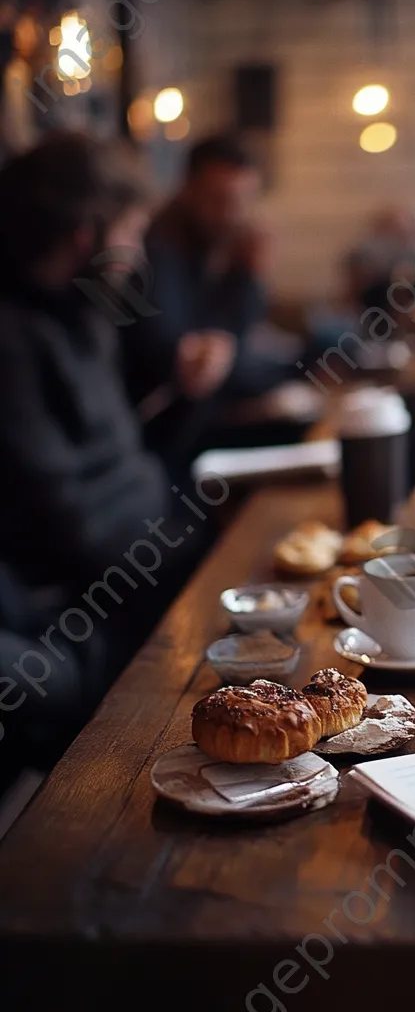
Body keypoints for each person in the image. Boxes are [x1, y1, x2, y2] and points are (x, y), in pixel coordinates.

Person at [0, 133, 205, 770]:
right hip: (93, 594)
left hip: (142, 557)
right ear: (87, 233)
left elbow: (127, 459)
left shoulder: (85, 312)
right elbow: (59, 514)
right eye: (130, 231)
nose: (137, 252)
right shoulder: (11, 337)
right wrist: (173, 556)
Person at [121, 134, 303, 474]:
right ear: (188, 188)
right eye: (219, 200)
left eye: (242, 201)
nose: (232, 214)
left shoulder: (204, 250)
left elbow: (227, 343)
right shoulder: (157, 253)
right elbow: (199, 359)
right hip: (163, 443)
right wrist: (248, 277)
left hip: (193, 423)